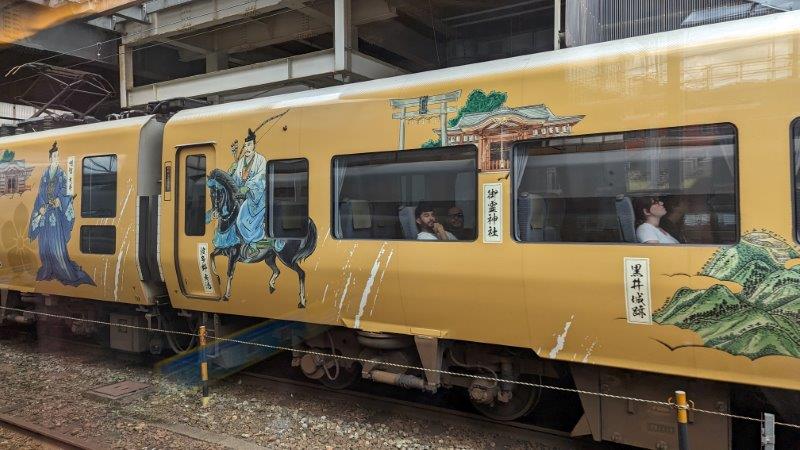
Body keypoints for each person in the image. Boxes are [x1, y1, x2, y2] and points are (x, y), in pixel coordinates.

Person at [28, 142, 95, 286]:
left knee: (55, 244)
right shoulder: (45, 174)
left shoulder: (61, 174)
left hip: (55, 214)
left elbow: (67, 190)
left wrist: (59, 199)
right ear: (50, 158)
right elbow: (40, 193)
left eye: (58, 156)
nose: (57, 159)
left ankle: (63, 271)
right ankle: (48, 269)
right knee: (45, 244)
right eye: (54, 156)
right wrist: (41, 208)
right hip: (45, 213)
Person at [231, 129, 267, 257]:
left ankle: (253, 244)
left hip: (257, 196)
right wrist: (232, 170)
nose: (247, 148)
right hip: (243, 195)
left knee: (241, 221)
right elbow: (236, 179)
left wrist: (248, 187)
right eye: (245, 145)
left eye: (249, 145)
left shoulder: (261, 160)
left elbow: (261, 177)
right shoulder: (241, 162)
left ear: (254, 145)